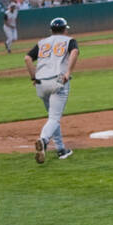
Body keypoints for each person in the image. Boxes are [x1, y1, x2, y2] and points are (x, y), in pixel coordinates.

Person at [26, 16, 79, 164]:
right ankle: (43, 140)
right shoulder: (69, 40)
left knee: (52, 118)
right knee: (54, 118)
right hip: (57, 81)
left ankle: (61, 150)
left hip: (41, 83)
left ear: (51, 30)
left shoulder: (42, 43)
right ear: (64, 30)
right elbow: (74, 52)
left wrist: (33, 78)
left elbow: (27, 59)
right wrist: (68, 73)